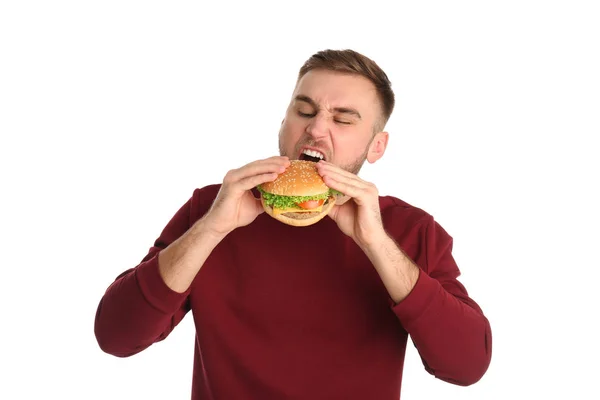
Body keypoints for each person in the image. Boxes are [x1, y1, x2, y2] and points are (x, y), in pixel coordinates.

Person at [94, 49, 492, 399]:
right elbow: (116, 336)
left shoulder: (410, 229)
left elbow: (466, 366)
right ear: (283, 124)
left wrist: (375, 243)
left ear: (377, 146)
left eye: (343, 119)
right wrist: (212, 229)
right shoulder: (213, 207)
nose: (316, 129)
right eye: (304, 111)